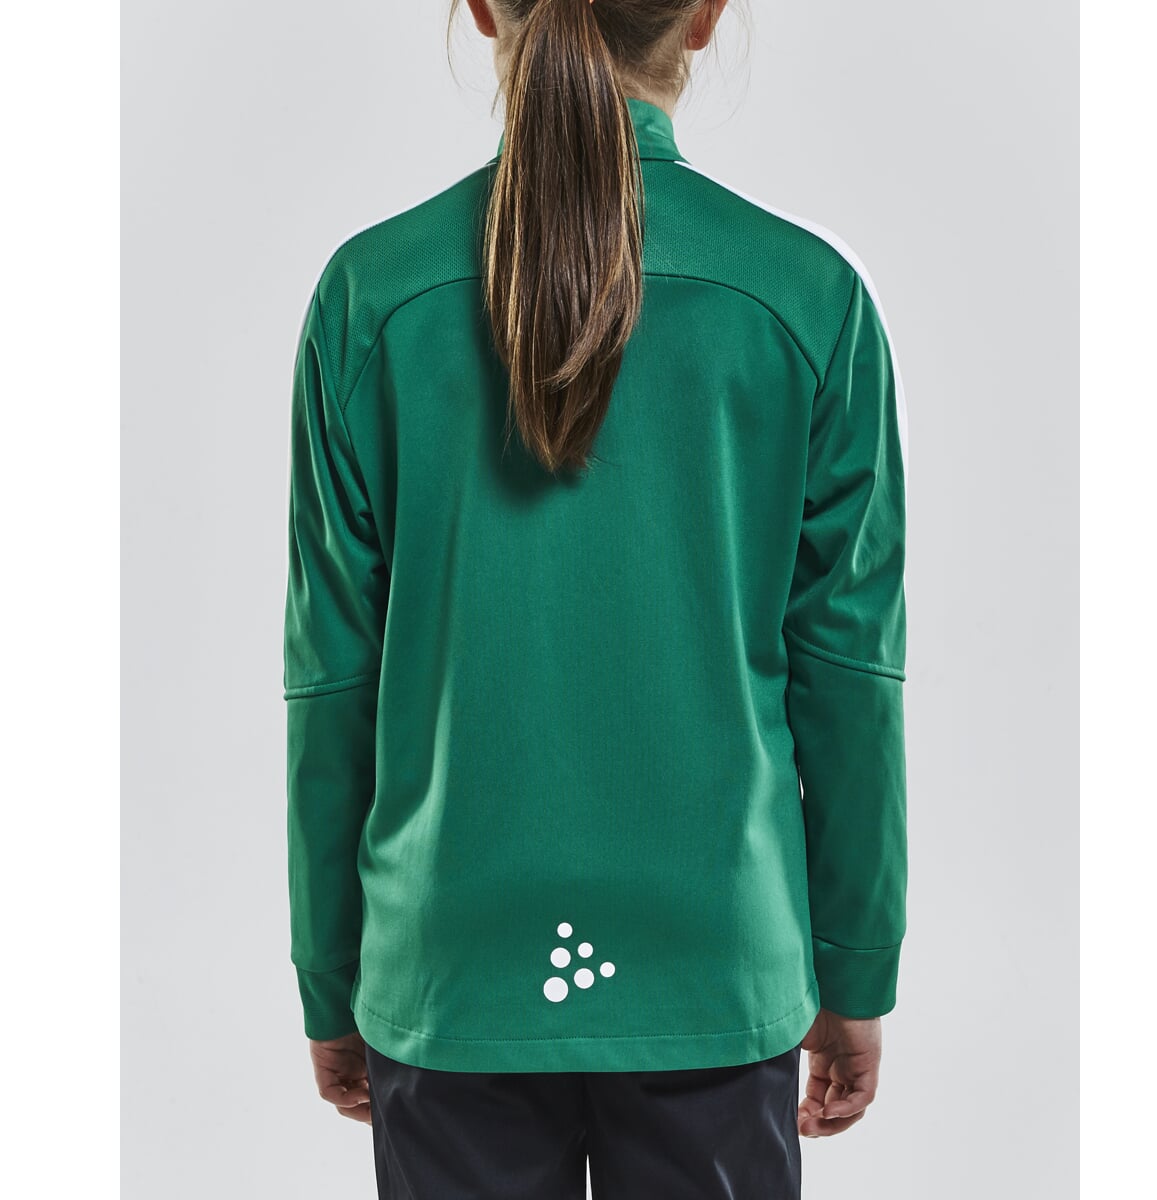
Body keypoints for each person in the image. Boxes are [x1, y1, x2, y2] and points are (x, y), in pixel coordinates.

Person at [282, 0, 909, 1195]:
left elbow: (332, 686)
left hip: (451, 974)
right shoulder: (807, 299)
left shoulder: (370, 299)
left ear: (482, 8)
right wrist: (854, 968)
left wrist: (333, 975)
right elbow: (850, 684)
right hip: (715, 968)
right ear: (705, 15)